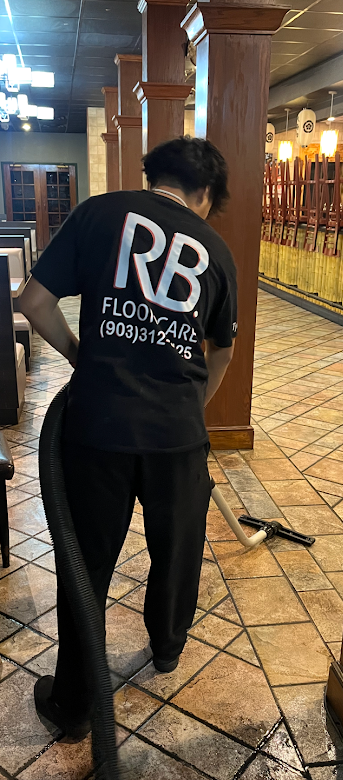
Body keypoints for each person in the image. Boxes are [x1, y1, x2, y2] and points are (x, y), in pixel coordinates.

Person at [20, 136, 237, 738]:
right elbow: (223, 352)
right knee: (178, 549)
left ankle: (71, 703)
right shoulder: (216, 250)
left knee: (85, 564)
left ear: (152, 174)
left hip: (97, 427)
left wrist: (81, 357)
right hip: (177, 435)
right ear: (207, 194)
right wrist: (190, 408)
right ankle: (167, 647)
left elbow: (33, 301)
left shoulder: (97, 213)